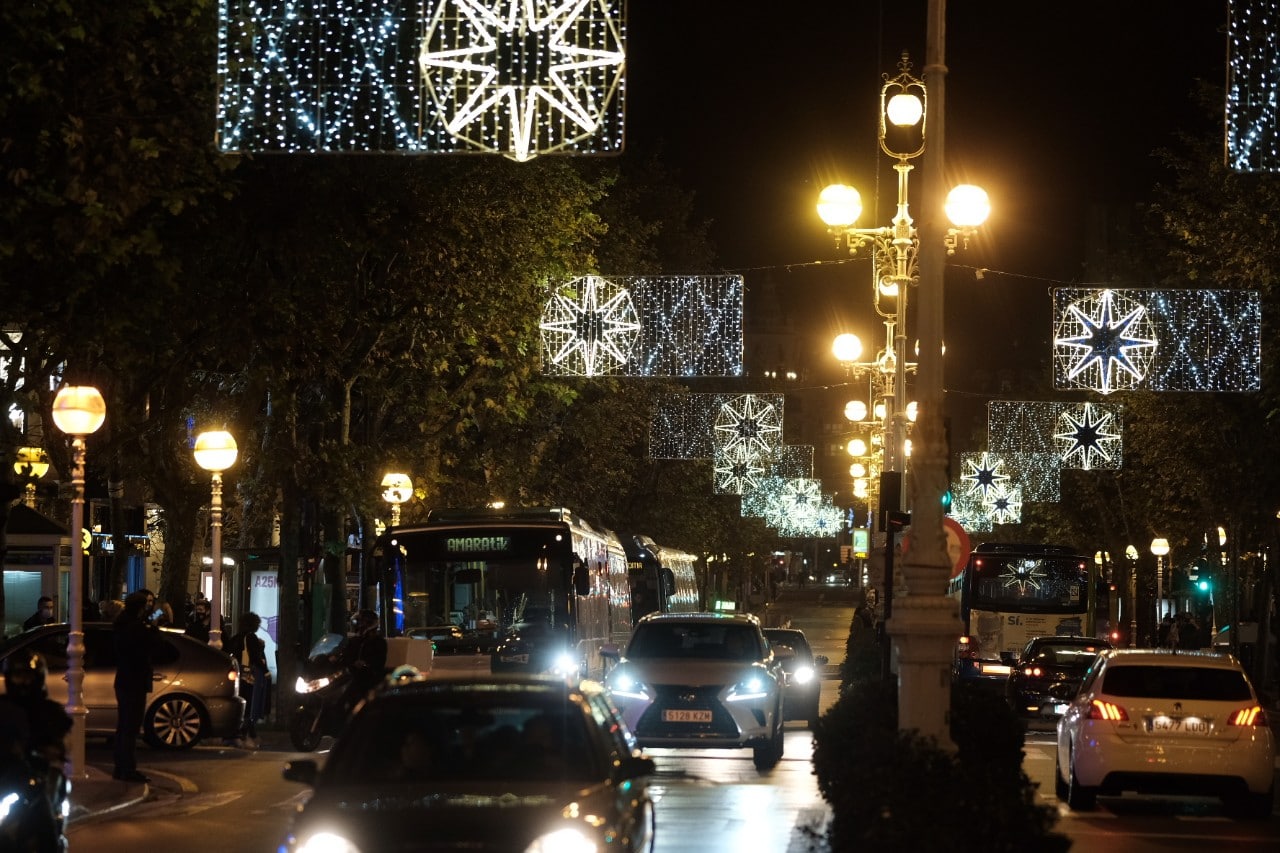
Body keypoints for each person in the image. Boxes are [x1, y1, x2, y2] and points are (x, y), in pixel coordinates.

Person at [113, 589, 161, 782]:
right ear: (140, 608)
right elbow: (155, 643)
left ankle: (122, 767)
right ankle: (127, 769)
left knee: (124, 727)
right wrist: (154, 626)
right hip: (134, 680)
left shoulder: (123, 624)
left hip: (125, 679)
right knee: (130, 727)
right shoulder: (136, 627)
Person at [330, 610, 388, 711]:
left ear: (368, 624)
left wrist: (365, 664)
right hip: (350, 675)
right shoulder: (354, 640)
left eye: (360, 622)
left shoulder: (379, 642)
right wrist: (334, 658)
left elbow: (378, 662)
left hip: (368, 679)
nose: (358, 625)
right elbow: (345, 655)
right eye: (358, 622)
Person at [226, 613, 268, 749]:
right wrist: (266, 670)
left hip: (238, 675)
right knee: (251, 706)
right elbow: (255, 657)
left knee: (243, 705)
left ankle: (247, 734)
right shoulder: (251, 638)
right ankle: (245, 734)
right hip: (249, 676)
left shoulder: (236, 638)